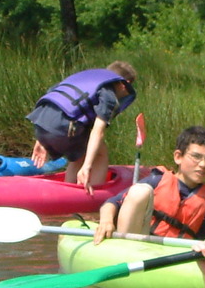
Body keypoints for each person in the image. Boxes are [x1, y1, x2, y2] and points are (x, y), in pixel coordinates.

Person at [91, 124, 205, 245]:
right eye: (196, 157)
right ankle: (122, 249)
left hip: (172, 261)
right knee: (139, 192)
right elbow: (112, 202)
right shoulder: (156, 181)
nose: (203, 165)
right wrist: (106, 221)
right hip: (137, 245)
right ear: (178, 157)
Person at [27, 61, 137, 193]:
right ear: (125, 84)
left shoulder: (87, 78)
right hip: (63, 127)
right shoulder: (109, 94)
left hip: (41, 123)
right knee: (100, 154)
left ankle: (68, 192)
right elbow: (98, 131)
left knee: (79, 154)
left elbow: (55, 101)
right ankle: (94, 195)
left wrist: (41, 139)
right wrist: (87, 167)